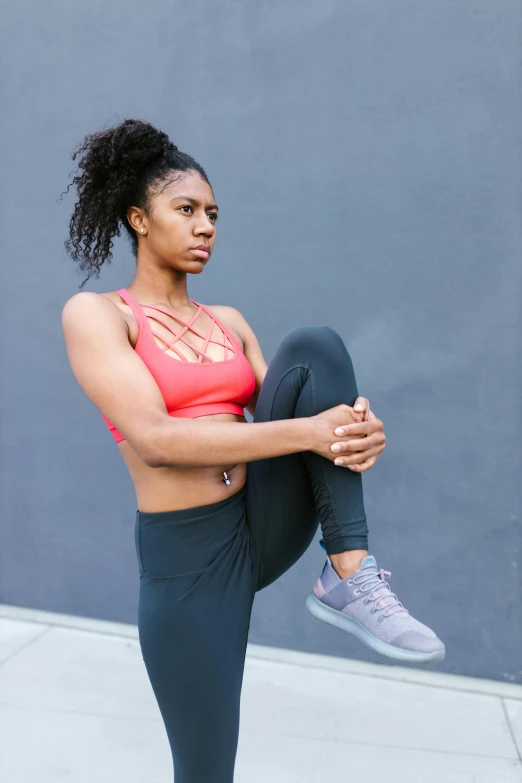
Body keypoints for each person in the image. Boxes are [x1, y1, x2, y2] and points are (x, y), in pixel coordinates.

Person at [61, 118, 445, 783]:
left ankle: (348, 571)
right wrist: (311, 432)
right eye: (186, 209)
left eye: (213, 213)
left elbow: (298, 419)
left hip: (259, 522)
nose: (206, 225)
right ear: (139, 218)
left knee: (315, 347)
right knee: (206, 768)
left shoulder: (229, 321)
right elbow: (155, 440)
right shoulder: (99, 315)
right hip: (187, 563)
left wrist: (352, 434)